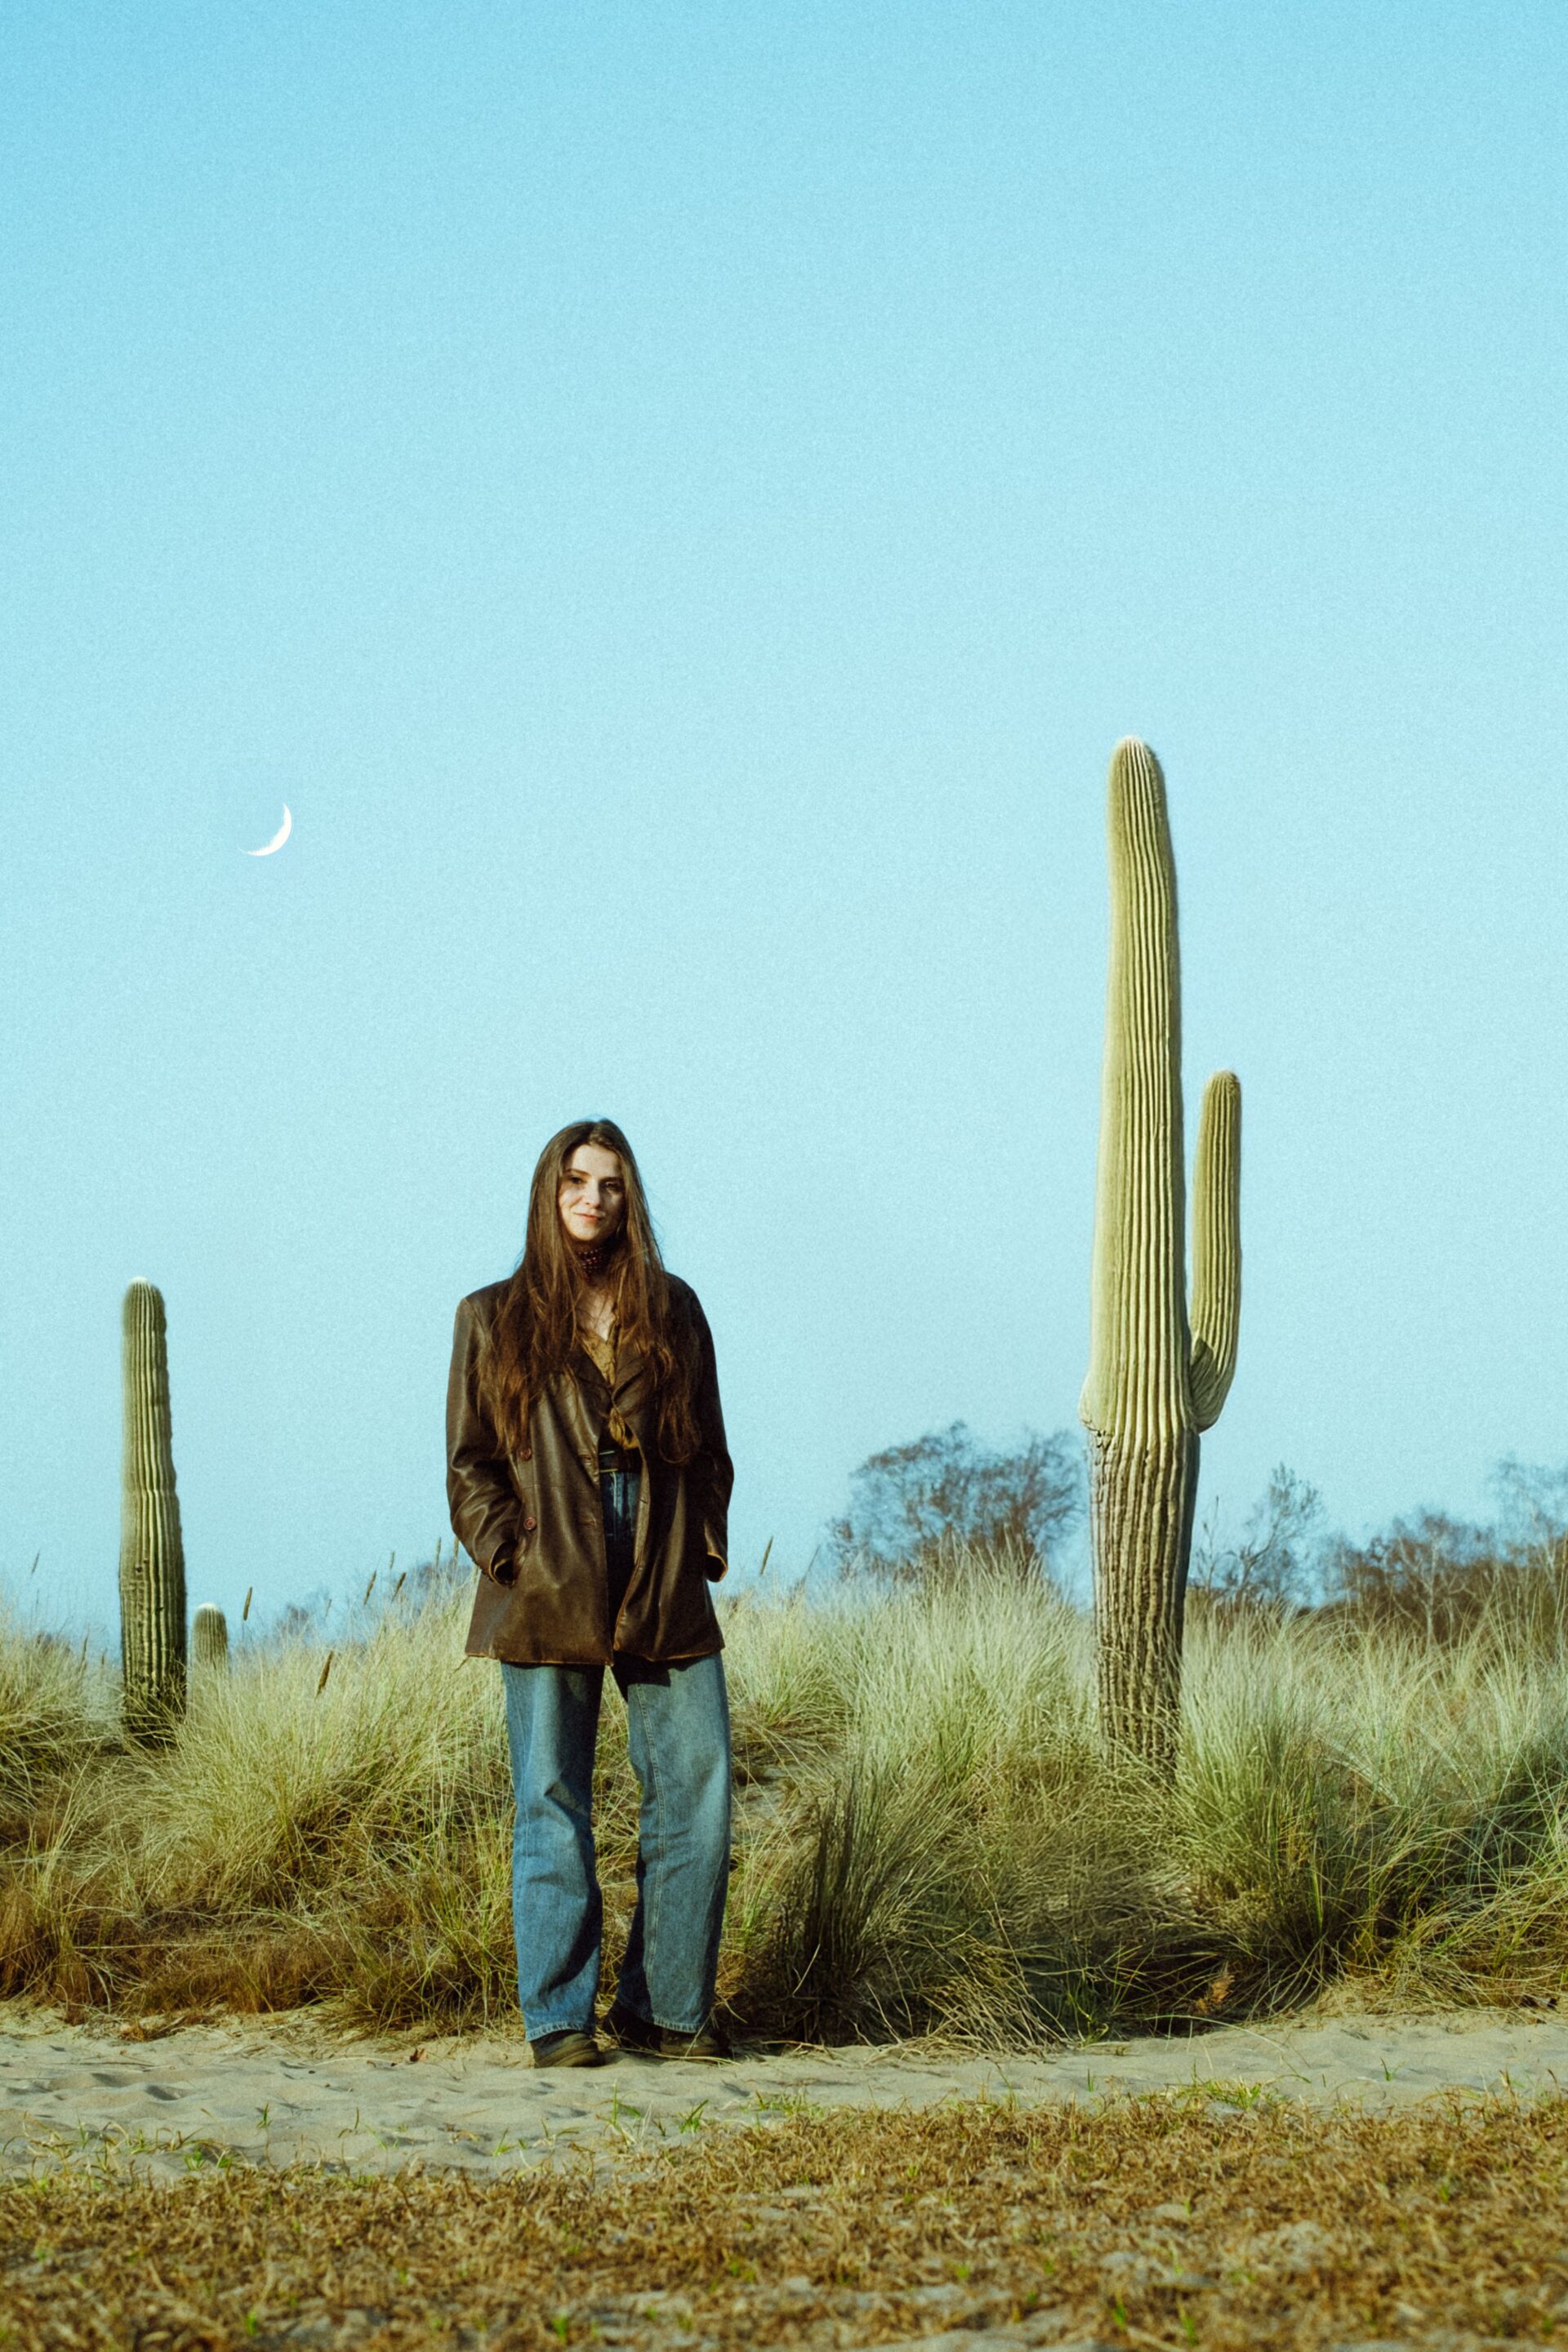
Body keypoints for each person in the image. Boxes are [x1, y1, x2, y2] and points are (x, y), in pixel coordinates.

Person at [446, 1117, 735, 2069]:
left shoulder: (675, 1308)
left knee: (697, 1788)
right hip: (546, 1565)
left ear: (628, 1197)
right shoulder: (491, 1315)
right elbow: (470, 1465)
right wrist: (510, 1553)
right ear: (550, 1190)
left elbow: (710, 1445)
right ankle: (560, 2021)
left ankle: (666, 2014)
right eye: (576, 1180)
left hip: (660, 1561)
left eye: (610, 1184)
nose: (593, 1198)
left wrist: (700, 1544)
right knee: (550, 1798)